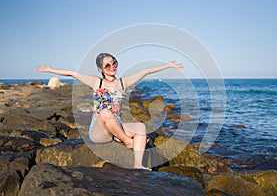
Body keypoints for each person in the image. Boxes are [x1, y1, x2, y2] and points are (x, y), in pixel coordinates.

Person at [37, 53, 183, 170]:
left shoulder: (122, 82)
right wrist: (50, 70)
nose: (112, 66)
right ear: (101, 69)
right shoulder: (96, 82)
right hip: (99, 130)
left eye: (114, 62)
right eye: (107, 65)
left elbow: (145, 71)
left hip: (116, 125)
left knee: (141, 127)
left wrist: (167, 66)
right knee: (105, 112)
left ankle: (138, 164)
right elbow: (72, 73)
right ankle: (127, 141)